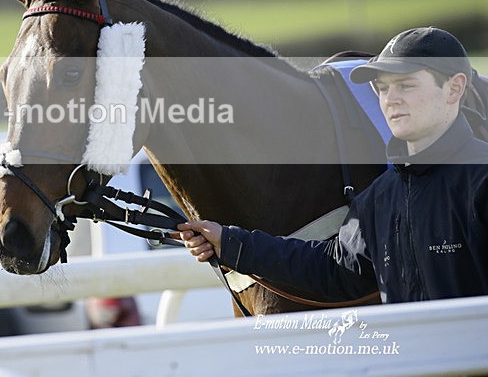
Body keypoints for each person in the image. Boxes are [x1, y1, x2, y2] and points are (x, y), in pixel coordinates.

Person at [178, 27, 488, 303]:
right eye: (382, 88)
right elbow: (333, 270)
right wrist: (231, 243)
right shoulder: (379, 197)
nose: (390, 99)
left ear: (455, 88)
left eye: (406, 85)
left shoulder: (481, 181)